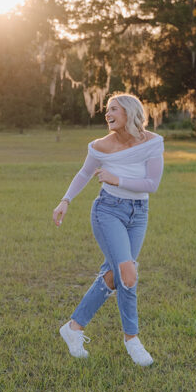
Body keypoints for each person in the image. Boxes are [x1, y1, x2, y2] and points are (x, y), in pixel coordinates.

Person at [53, 93, 164, 367]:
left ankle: (74, 327)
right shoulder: (100, 146)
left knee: (117, 275)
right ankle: (132, 340)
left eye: (113, 108)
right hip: (107, 211)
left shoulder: (152, 142)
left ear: (129, 112)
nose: (107, 113)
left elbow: (152, 184)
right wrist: (66, 200)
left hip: (138, 214)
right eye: (106, 109)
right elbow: (83, 174)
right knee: (128, 273)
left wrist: (117, 178)